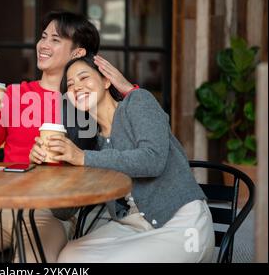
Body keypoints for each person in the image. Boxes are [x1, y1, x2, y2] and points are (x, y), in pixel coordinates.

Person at [0, 11, 128, 263]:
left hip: (50, 212)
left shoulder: (86, 103)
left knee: (33, 262)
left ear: (77, 53)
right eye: (43, 37)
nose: (43, 45)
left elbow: (125, 137)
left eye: (55, 40)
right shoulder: (13, 95)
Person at [29, 55, 215, 263]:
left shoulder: (138, 102)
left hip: (180, 222)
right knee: (69, 258)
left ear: (106, 81)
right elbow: (63, 212)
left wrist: (82, 157)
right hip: (130, 226)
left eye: (84, 78)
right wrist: (49, 168)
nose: (77, 87)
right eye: (70, 85)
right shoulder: (87, 141)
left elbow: (152, 160)